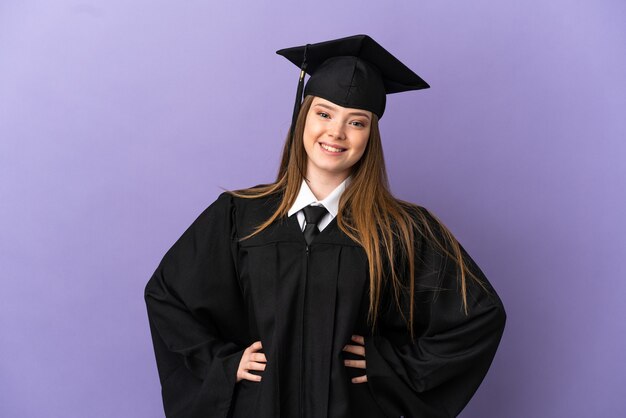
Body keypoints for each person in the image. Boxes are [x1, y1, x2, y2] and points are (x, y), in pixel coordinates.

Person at [144, 34, 506, 418]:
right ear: (303, 116)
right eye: (324, 113)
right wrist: (221, 363)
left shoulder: (401, 229)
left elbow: (479, 317)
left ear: (370, 135)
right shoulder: (239, 215)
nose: (336, 132)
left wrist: (388, 367)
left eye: (356, 121)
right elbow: (169, 298)